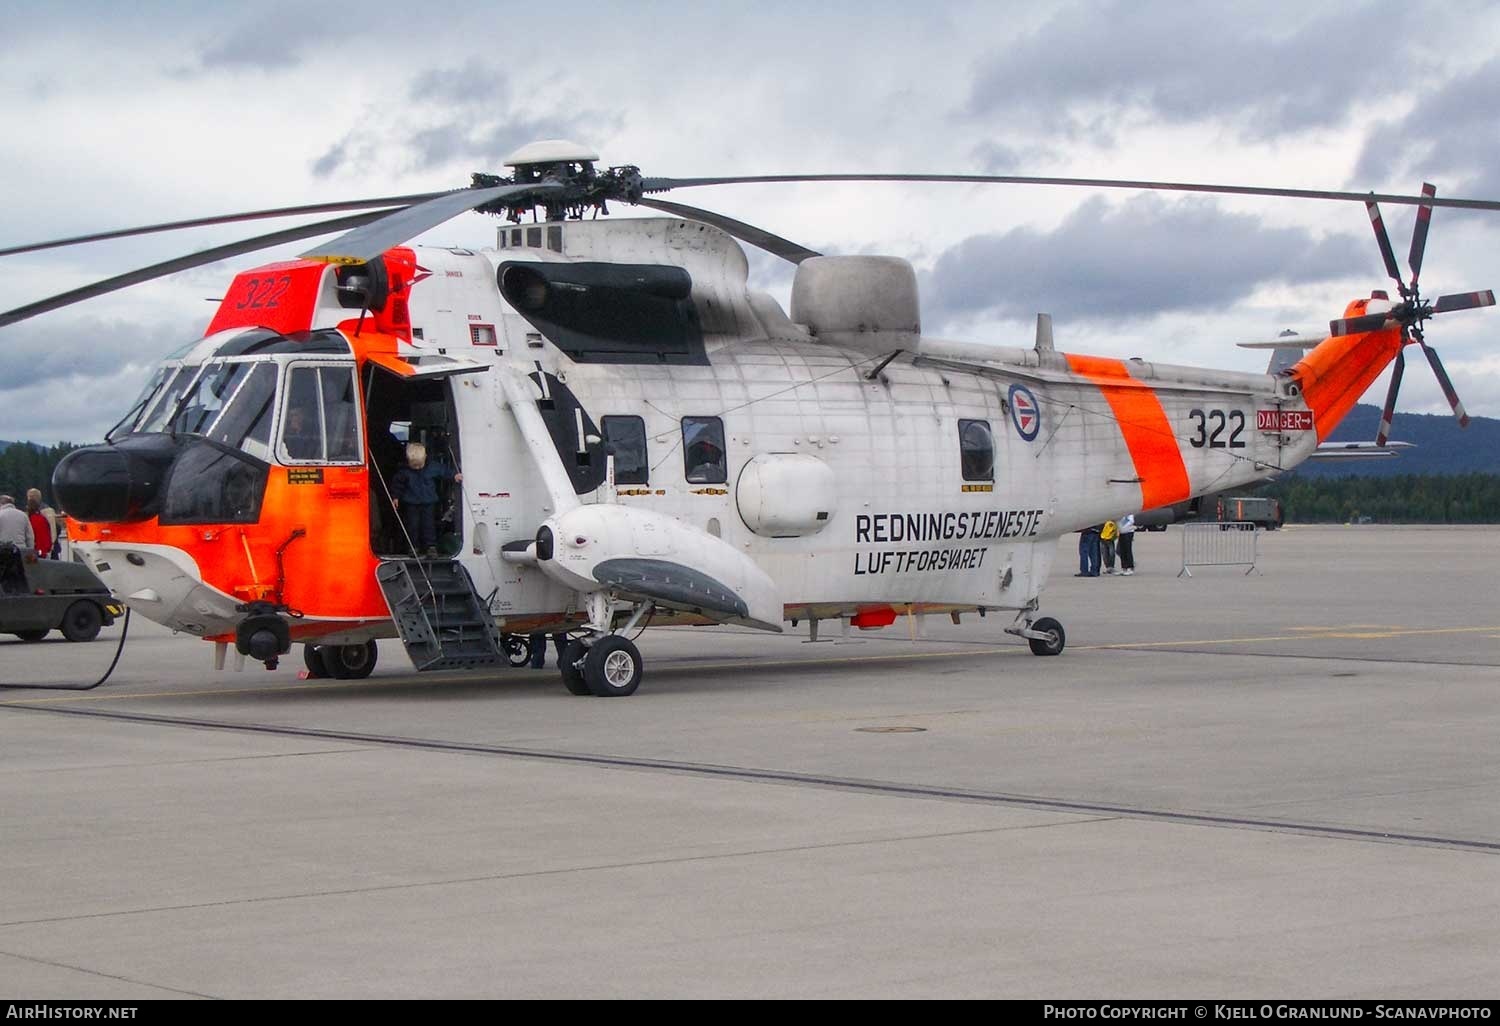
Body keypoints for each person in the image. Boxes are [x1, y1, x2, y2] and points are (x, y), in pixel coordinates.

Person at [390, 441, 462, 557]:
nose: (417, 468)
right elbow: (397, 485)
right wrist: (395, 497)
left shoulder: (432, 467)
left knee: (429, 525)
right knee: (412, 526)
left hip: (428, 502)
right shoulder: (404, 472)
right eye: (414, 466)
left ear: (425, 458)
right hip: (411, 503)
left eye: (419, 465)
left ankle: (431, 546)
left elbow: (443, 471)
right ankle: (413, 546)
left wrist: (454, 475)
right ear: (408, 461)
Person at [28, 488, 60, 559]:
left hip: (38, 551)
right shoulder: (48, 511)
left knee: (32, 567)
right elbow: (57, 528)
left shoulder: (36, 516)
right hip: (46, 549)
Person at [25, 492, 52, 560]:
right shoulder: (43, 518)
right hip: (44, 552)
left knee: (31, 569)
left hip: (33, 553)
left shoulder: (29, 520)